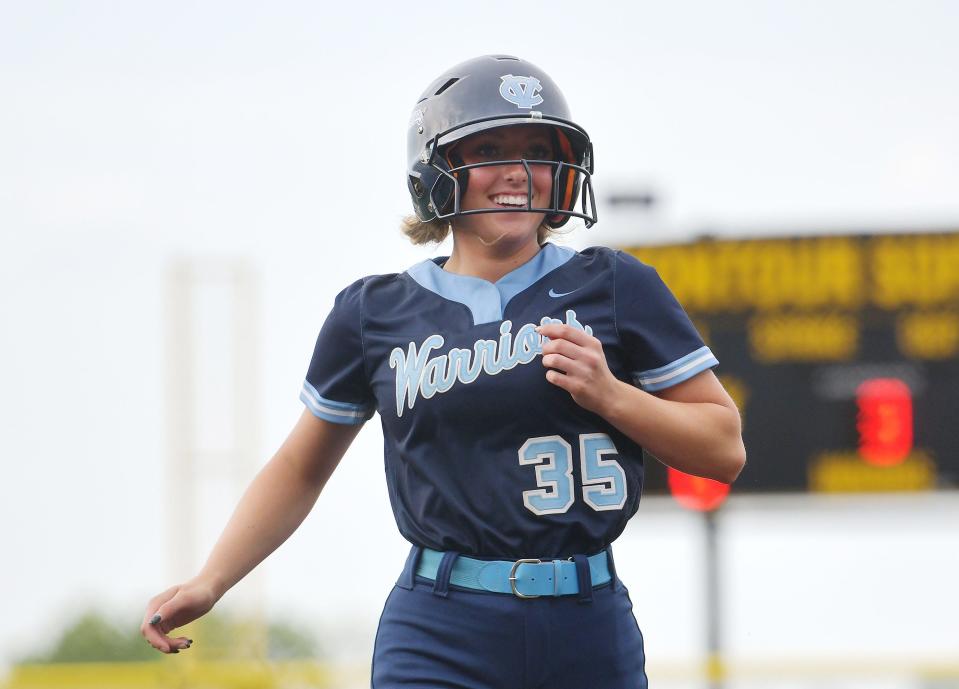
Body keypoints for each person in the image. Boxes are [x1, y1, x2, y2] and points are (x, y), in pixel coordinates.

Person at [141, 54, 746, 688]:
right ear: (437, 172)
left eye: (538, 150)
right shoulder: (373, 313)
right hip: (441, 626)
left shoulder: (618, 286)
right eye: (490, 149)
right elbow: (300, 468)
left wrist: (612, 396)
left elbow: (723, 448)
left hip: (587, 622)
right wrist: (212, 580)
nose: (517, 172)